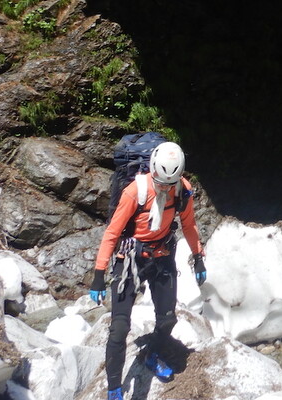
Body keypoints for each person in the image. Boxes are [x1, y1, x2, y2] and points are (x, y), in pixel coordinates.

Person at [90, 141, 207, 400]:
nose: (164, 188)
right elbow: (111, 233)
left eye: (169, 183)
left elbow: (189, 225)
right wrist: (99, 276)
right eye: (160, 182)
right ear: (152, 170)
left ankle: (153, 354)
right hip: (130, 259)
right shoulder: (136, 191)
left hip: (162, 256)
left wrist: (198, 257)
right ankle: (113, 388)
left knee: (168, 319)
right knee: (119, 328)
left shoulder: (182, 190)